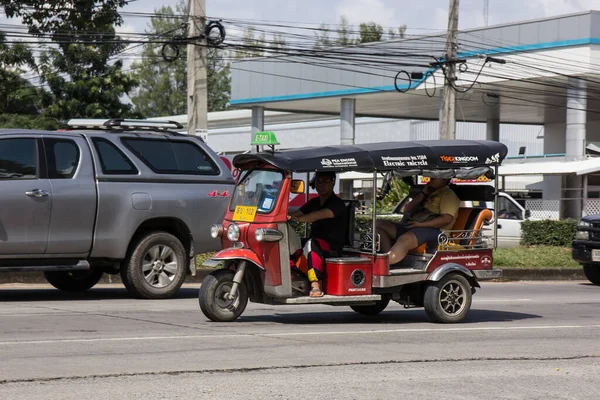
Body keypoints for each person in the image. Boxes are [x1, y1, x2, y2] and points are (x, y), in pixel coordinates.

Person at [288, 171, 347, 297]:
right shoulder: (314, 202)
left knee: (312, 243)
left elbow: (317, 215)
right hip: (316, 242)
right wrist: (284, 217)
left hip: (332, 246)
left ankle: (316, 285)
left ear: (333, 182)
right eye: (319, 181)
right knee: (290, 243)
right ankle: (291, 276)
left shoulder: (337, 204)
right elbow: (298, 212)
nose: (321, 185)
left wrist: (297, 219)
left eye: (325, 181)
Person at [376, 177, 460, 265]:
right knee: (378, 226)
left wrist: (421, 225)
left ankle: (385, 264)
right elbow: (407, 209)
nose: (431, 177)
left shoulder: (448, 194)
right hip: (415, 225)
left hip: (438, 232)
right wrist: (423, 193)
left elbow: (446, 219)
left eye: (436, 175)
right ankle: (389, 259)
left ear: (445, 179)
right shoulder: (430, 192)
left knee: (406, 239)